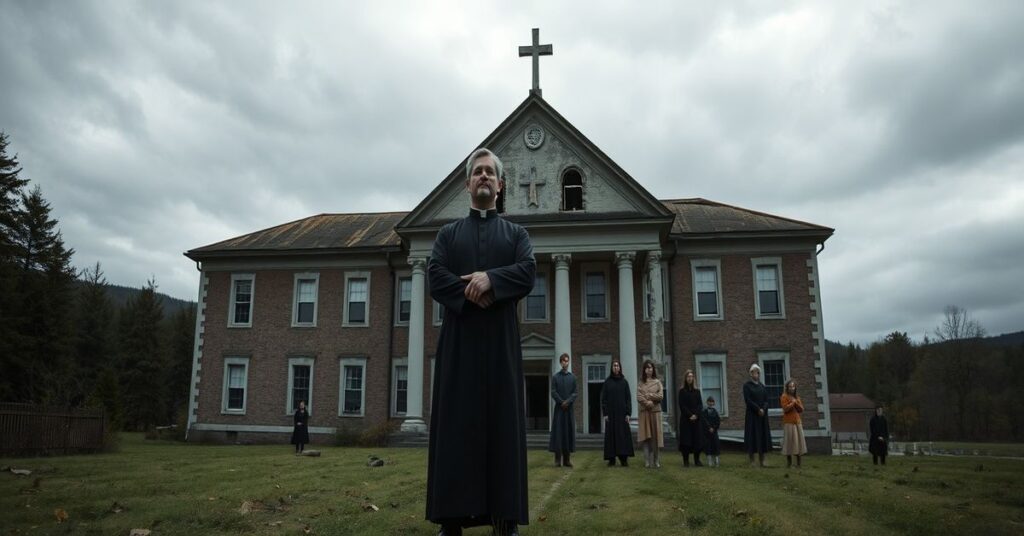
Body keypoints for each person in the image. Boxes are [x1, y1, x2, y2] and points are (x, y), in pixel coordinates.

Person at [425, 148, 537, 536]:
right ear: (467, 184)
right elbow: (435, 277)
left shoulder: (517, 235)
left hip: (501, 349)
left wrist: (491, 279)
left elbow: (528, 272)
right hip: (459, 348)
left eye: (490, 172)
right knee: (455, 430)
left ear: (501, 185)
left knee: (503, 430)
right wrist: (472, 292)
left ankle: (506, 519)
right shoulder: (448, 235)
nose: (484, 176)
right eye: (478, 172)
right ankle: (451, 521)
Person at [601, 359, 635, 467]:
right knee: (611, 437)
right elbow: (604, 399)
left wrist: (628, 413)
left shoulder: (624, 382)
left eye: (617, 366)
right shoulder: (607, 382)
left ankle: (623, 459)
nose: (616, 367)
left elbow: (628, 399)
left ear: (620, 368)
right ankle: (611, 459)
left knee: (622, 436)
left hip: (622, 414)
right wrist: (605, 413)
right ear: (612, 368)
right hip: (611, 415)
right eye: (614, 366)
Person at [549, 353, 577, 468]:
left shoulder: (573, 377)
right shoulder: (555, 377)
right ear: (561, 363)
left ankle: (567, 460)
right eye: (564, 361)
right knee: (558, 433)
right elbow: (553, 392)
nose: (566, 363)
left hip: (569, 410)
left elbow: (575, 393)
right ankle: (557, 459)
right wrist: (561, 402)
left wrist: (568, 402)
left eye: (567, 361)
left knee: (568, 433)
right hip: (559, 410)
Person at [636, 360, 664, 468]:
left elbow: (660, 396)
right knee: (646, 437)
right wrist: (647, 403)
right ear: (644, 370)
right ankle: (647, 461)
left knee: (656, 438)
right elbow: (639, 397)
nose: (649, 369)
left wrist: (651, 396)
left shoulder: (658, 382)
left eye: (651, 367)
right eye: (647, 368)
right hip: (644, 412)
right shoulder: (640, 383)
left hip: (655, 412)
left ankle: (656, 461)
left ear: (653, 369)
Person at [744, 363, 772, 467]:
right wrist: (757, 409)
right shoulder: (747, 386)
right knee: (752, 436)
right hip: (752, 415)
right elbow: (748, 400)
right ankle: (752, 460)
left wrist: (763, 409)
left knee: (762, 436)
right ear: (751, 374)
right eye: (754, 372)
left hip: (762, 416)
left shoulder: (762, 386)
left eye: (757, 372)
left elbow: (766, 400)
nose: (756, 374)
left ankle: (762, 460)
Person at [677, 369, 703, 467]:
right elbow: (682, 405)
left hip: (696, 419)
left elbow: (700, 404)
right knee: (686, 441)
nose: (690, 378)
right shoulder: (682, 391)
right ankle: (686, 461)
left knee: (697, 440)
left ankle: (697, 460)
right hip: (686, 419)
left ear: (693, 378)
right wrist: (690, 415)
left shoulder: (697, 391)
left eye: (691, 376)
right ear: (685, 378)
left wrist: (696, 415)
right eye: (688, 376)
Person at [780, 380, 807, 469]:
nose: (792, 388)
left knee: (798, 442)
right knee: (789, 442)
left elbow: (801, 409)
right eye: (790, 386)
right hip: (788, 422)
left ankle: (799, 464)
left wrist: (796, 403)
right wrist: (792, 403)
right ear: (787, 388)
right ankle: (789, 463)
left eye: (793, 386)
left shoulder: (797, 397)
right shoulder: (784, 397)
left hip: (797, 422)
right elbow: (785, 409)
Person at [702, 396, 721, 467]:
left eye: (712, 402)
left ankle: (717, 461)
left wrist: (714, 428)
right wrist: (709, 427)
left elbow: (718, 421)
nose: (710, 403)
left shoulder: (715, 412)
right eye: (709, 401)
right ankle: (710, 462)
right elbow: (704, 421)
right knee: (708, 446)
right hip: (707, 432)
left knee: (716, 445)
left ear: (714, 403)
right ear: (707, 402)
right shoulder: (704, 412)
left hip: (714, 432)